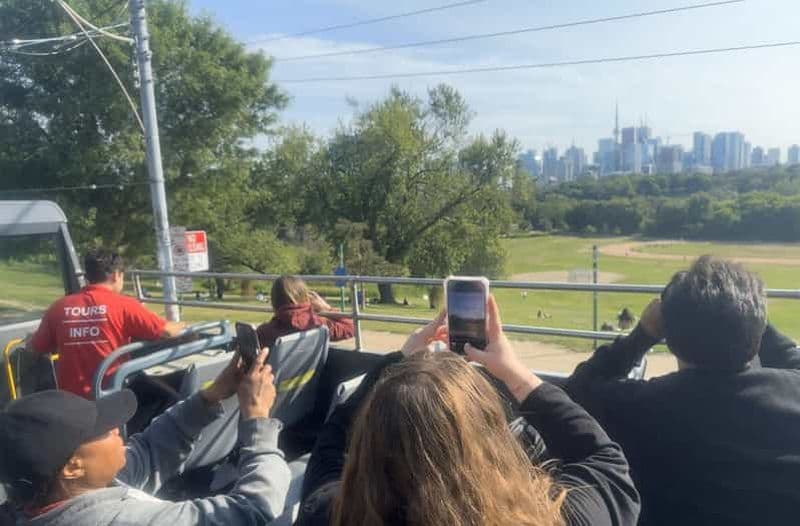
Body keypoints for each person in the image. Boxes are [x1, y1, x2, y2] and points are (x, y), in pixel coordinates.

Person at [297, 299, 640, 526]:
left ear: (365, 447)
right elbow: (606, 461)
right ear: (494, 442)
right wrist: (515, 375)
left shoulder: (327, 514)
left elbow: (330, 445)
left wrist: (399, 361)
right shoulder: (555, 517)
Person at [566, 256, 800, 526]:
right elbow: (789, 355)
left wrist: (641, 335)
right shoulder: (793, 391)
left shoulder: (638, 407)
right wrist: (743, 309)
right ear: (757, 330)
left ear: (670, 337)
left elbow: (574, 392)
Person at [0, 350, 291, 525]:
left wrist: (210, 396)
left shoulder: (53, 494)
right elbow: (253, 508)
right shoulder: (127, 521)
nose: (117, 428)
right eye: (103, 429)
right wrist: (257, 421)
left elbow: (148, 451)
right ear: (73, 466)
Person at [28, 248, 186, 398]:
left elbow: (35, 347)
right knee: (173, 395)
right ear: (116, 275)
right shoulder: (124, 304)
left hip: (71, 402)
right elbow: (166, 331)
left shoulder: (58, 307)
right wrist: (183, 326)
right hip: (112, 395)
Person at [256, 276, 354, 349]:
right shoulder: (319, 325)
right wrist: (326, 308)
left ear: (274, 301)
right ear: (305, 297)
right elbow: (351, 327)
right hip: (311, 376)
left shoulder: (263, 332)